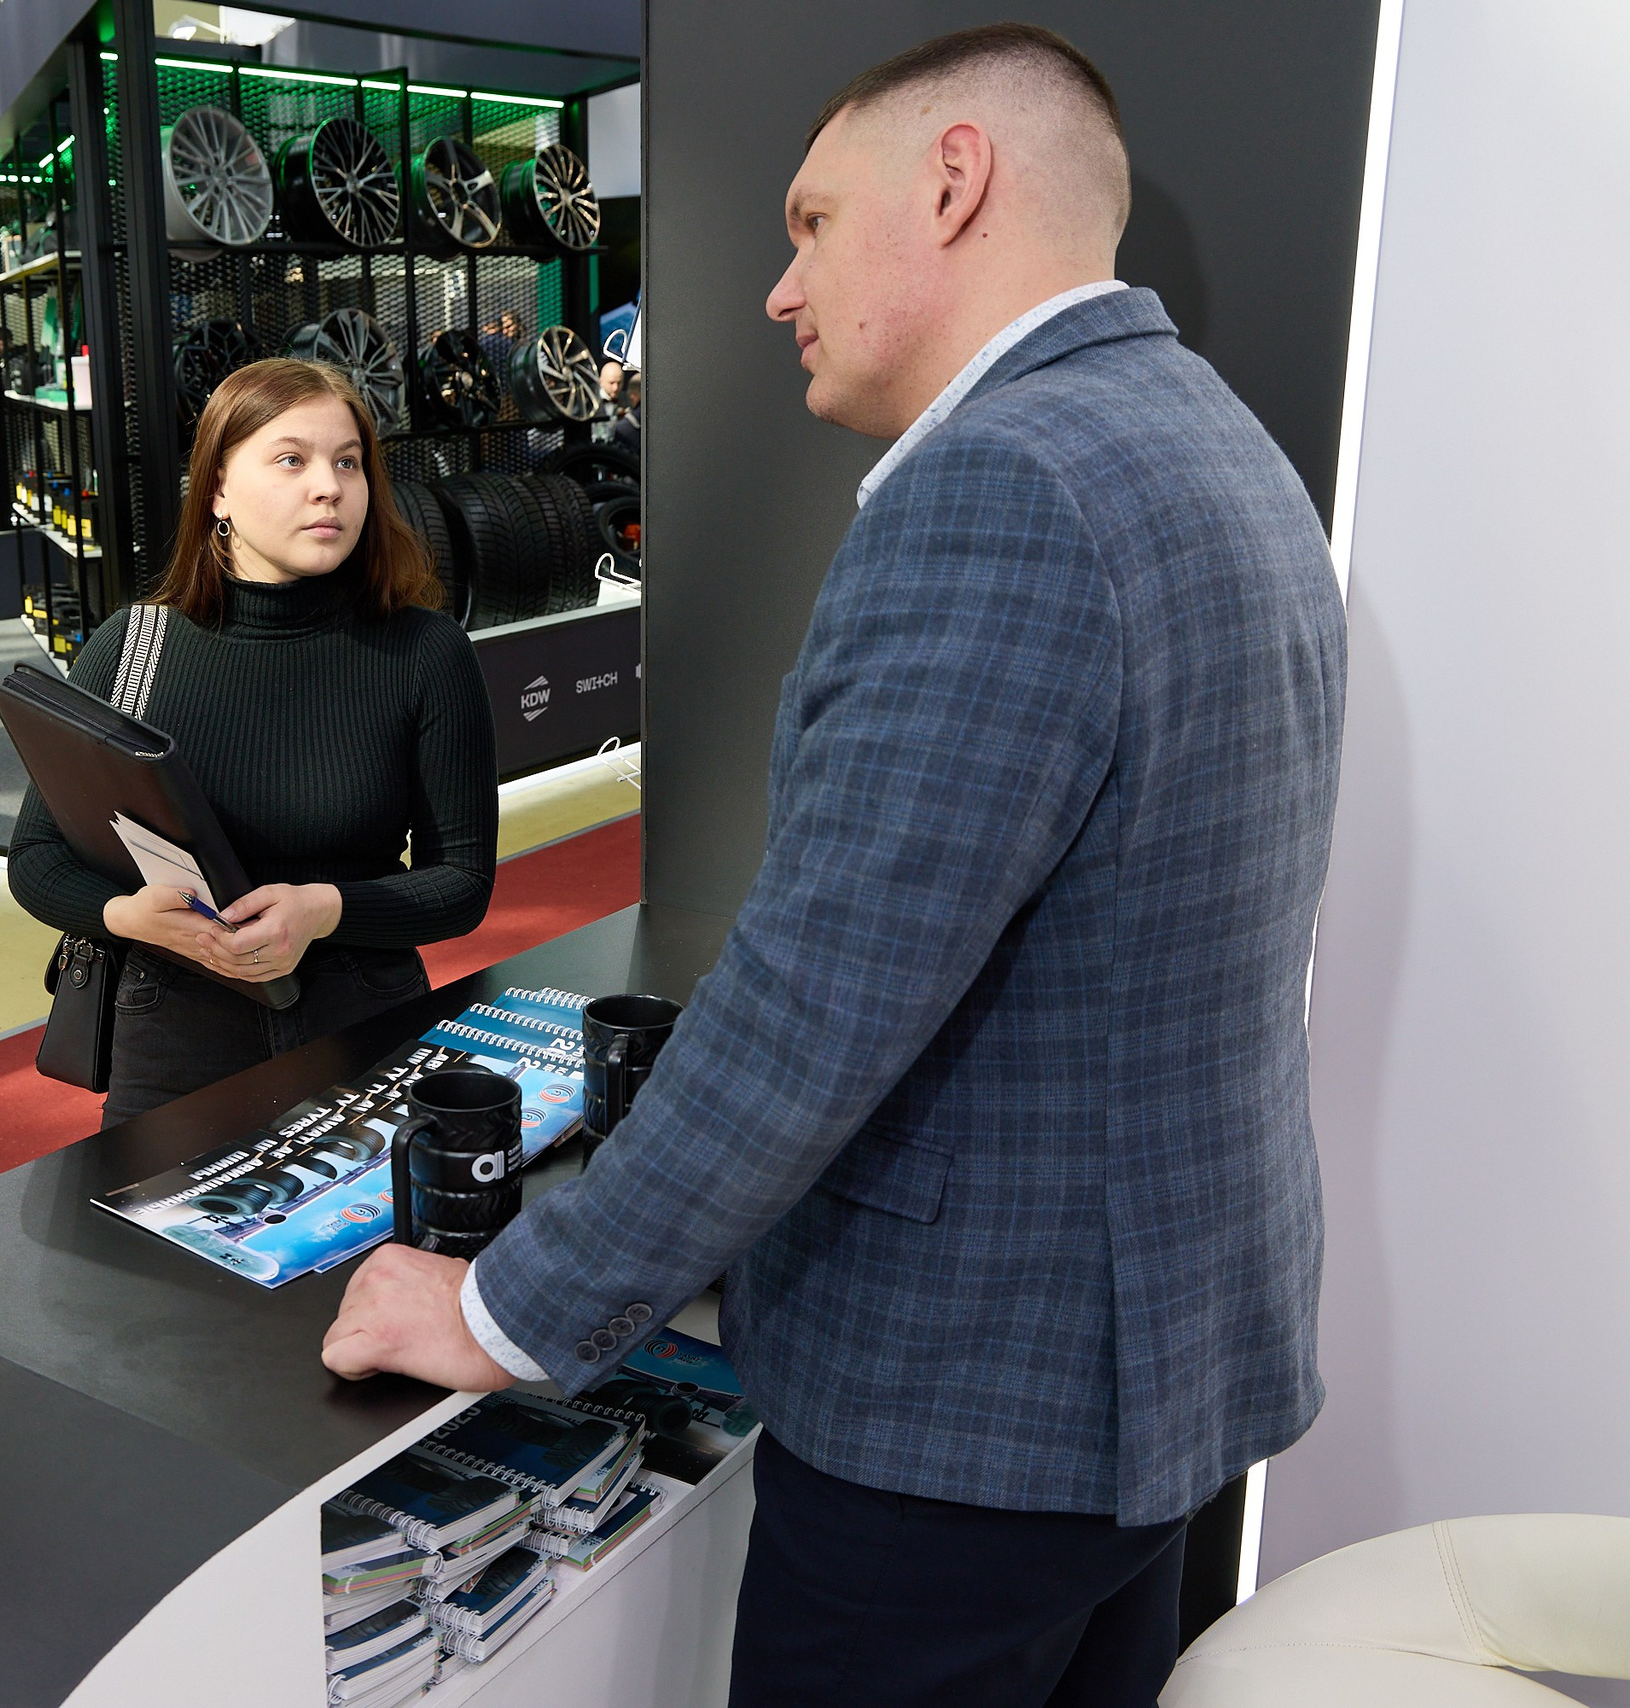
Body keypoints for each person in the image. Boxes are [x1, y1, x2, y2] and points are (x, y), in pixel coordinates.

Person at [321, 25, 1347, 1708]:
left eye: (807, 222)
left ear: (954, 182)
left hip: (966, 1414)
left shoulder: (1005, 488)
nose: (777, 286)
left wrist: (506, 1309)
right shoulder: (1216, 446)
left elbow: (817, 1007)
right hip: (1151, 1382)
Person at [9, 357, 498, 1122]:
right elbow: (35, 859)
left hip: (365, 1026)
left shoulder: (425, 652)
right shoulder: (132, 648)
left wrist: (323, 910)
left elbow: (461, 882)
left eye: (348, 462)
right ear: (217, 492)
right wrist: (124, 916)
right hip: (171, 1037)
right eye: (291, 460)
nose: (329, 485)